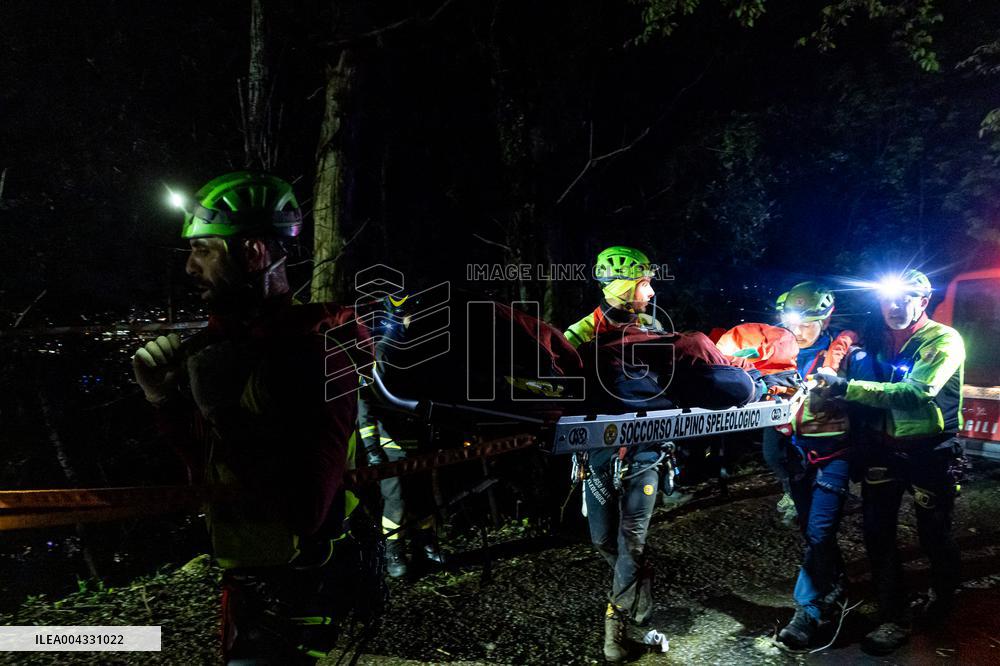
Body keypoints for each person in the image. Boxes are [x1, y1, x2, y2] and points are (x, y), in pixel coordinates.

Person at [132, 171, 382, 664]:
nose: (190, 267)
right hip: (255, 588)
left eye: (204, 250)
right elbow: (210, 466)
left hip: (298, 595)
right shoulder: (234, 351)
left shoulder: (312, 357)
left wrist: (220, 408)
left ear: (252, 252)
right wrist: (165, 400)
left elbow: (305, 509)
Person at [566, 246, 759, 662]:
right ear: (621, 287)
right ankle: (638, 590)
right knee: (603, 540)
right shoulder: (579, 334)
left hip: (647, 451)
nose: (651, 293)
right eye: (644, 284)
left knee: (631, 540)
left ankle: (614, 629)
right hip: (598, 454)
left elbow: (679, 381)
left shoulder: (653, 328)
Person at [812, 269, 965, 655]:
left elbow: (917, 392)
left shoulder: (943, 339)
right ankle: (892, 617)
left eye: (904, 299)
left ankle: (944, 598)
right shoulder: (879, 336)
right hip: (882, 450)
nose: (893, 307)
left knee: (934, 532)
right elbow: (850, 337)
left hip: (931, 450)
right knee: (877, 534)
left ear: (924, 301)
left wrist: (847, 388)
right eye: (886, 300)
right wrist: (844, 341)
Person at [768, 282, 863, 649]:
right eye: (794, 321)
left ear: (826, 320)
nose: (800, 329)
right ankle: (836, 583)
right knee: (812, 532)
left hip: (835, 458)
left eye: (810, 322)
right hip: (797, 458)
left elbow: (870, 400)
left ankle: (807, 612)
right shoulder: (778, 354)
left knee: (820, 533)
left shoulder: (849, 356)